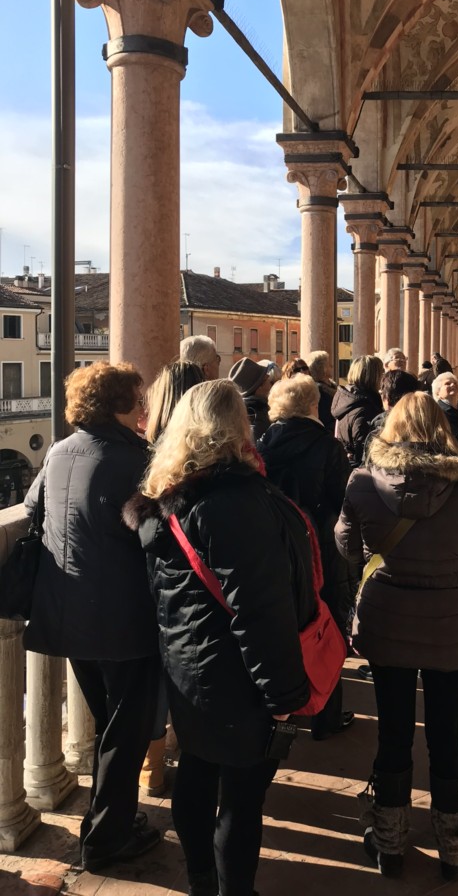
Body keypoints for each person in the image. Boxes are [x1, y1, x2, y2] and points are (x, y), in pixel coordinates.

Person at [124, 380, 313, 896]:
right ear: (239, 428)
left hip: (186, 666)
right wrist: (283, 695)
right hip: (237, 673)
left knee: (198, 773)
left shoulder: (167, 499)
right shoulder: (234, 501)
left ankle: (202, 879)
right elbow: (259, 609)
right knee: (242, 796)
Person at [335, 393, 458, 880]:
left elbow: (347, 547)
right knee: (447, 732)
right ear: (443, 428)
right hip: (451, 625)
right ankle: (454, 838)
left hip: (386, 622)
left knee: (393, 730)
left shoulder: (361, 481)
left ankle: (390, 838)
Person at [24, 362, 160, 872]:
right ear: (118, 405)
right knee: (126, 731)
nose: (145, 406)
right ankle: (105, 841)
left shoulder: (59, 451)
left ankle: (109, 821)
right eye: (137, 398)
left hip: (70, 616)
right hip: (124, 621)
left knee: (110, 725)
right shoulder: (137, 460)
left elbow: (34, 509)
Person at [257, 375, 354, 740]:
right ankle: (326, 716)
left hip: (276, 546)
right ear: (314, 405)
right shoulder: (326, 446)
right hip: (320, 548)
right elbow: (342, 498)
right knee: (325, 628)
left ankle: (286, 709)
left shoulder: (262, 443)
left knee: (285, 625)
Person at [139, 359, 205, 797]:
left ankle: (152, 770)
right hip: (191, 584)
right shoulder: (200, 453)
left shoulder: (144, 451)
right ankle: (177, 761)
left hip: (145, 579)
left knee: (151, 679)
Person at [331, 354, 384, 468]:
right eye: (381, 373)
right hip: (362, 472)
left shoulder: (347, 399)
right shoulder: (365, 408)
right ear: (374, 376)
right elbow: (364, 450)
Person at [228, 356, 272, 442]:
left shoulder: (239, 413)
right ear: (259, 387)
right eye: (267, 379)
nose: (271, 383)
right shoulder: (259, 416)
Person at [307, 349, 337, 431]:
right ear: (322, 368)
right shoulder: (318, 390)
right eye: (328, 364)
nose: (332, 366)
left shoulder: (331, 386)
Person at [431, 371, 458, 440]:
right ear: (438, 392)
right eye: (447, 383)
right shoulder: (436, 412)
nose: (453, 385)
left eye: (455, 383)